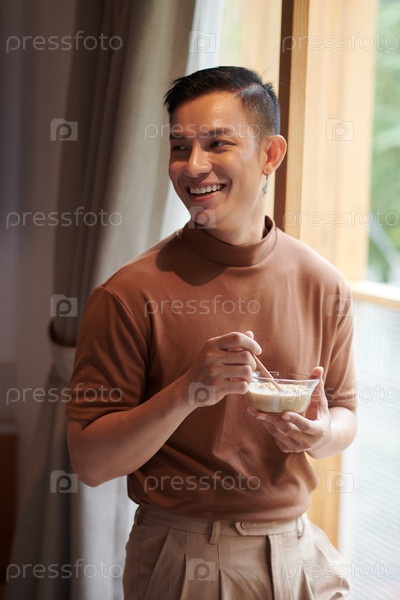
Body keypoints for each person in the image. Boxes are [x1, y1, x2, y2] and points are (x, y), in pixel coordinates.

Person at [66, 66, 357, 599]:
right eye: (180, 148)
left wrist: (321, 434)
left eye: (217, 144)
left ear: (270, 154)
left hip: (303, 553)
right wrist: (188, 391)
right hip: (189, 560)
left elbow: (344, 413)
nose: (193, 166)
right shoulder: (128, 293)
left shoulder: (323, 282)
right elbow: (90, 462)